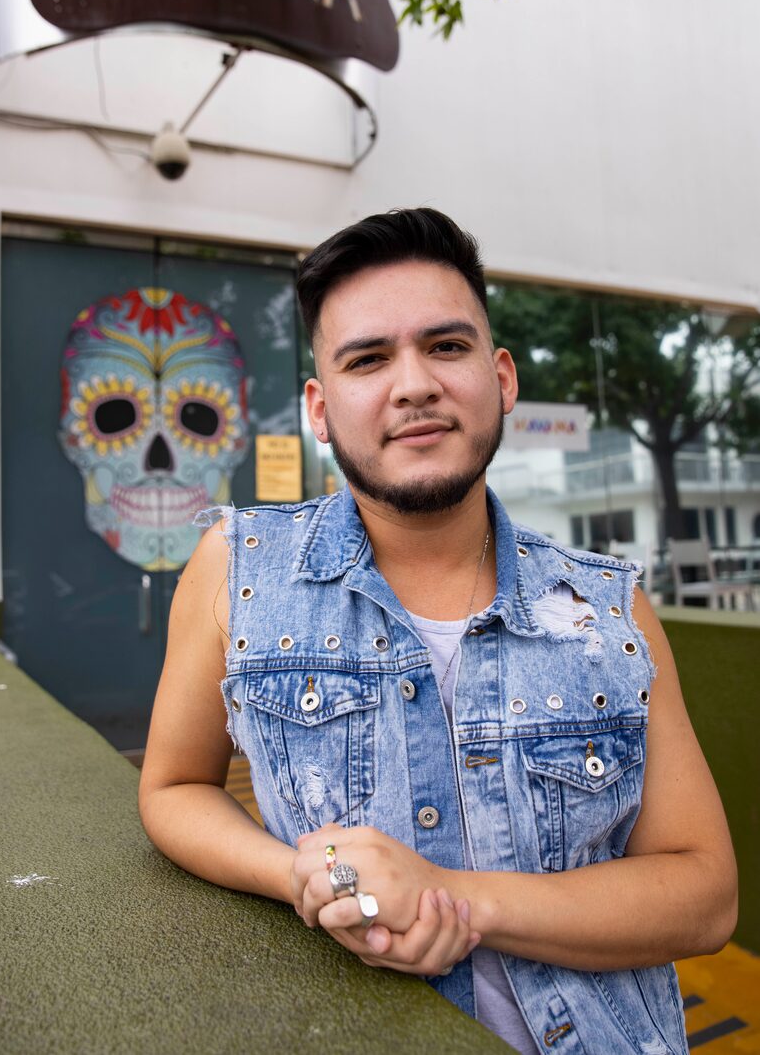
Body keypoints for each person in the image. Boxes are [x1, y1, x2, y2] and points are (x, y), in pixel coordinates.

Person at [139, 208, 737, 1054]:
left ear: (502, 378)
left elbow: (705, 894)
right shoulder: (237, 572)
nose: (413, 383)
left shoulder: (610, 609)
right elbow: (172, 789)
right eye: (368, 359)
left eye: (446, 348)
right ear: (318, 407)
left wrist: (457, 899)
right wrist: (303, 876)